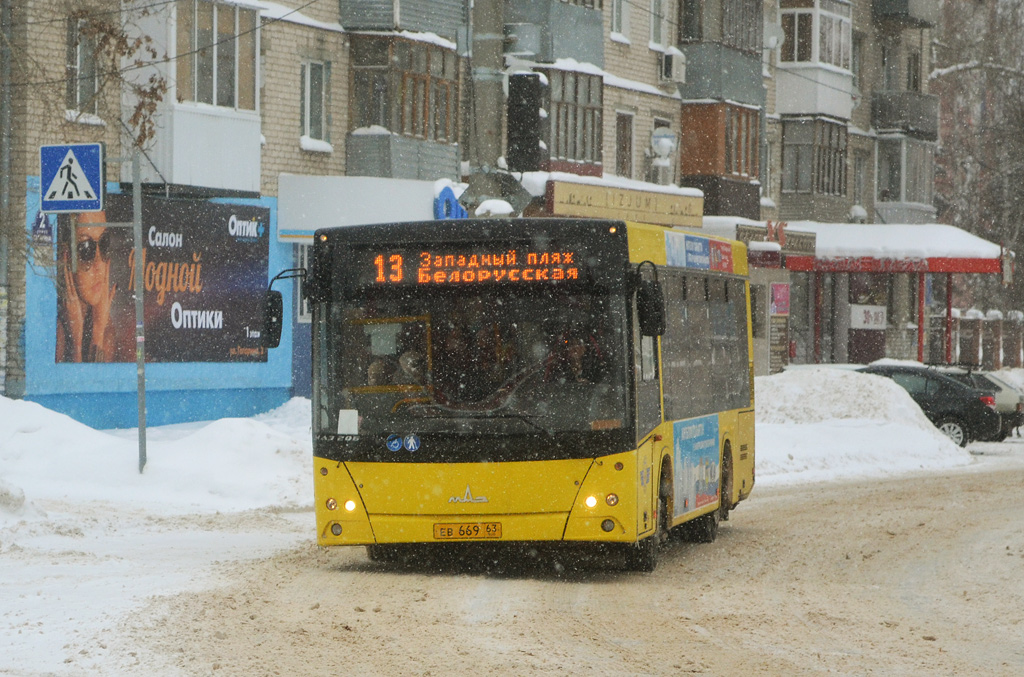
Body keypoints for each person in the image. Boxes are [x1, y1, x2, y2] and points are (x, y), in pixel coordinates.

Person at [56, 211, 116, 362]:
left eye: (104, 243)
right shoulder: (56, 330)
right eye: (86, 248)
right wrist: (75, 343)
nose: (99, 265)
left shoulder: (103, 324)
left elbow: (98, 383)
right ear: (67, 257)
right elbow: (76, 384)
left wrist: (98, 331)